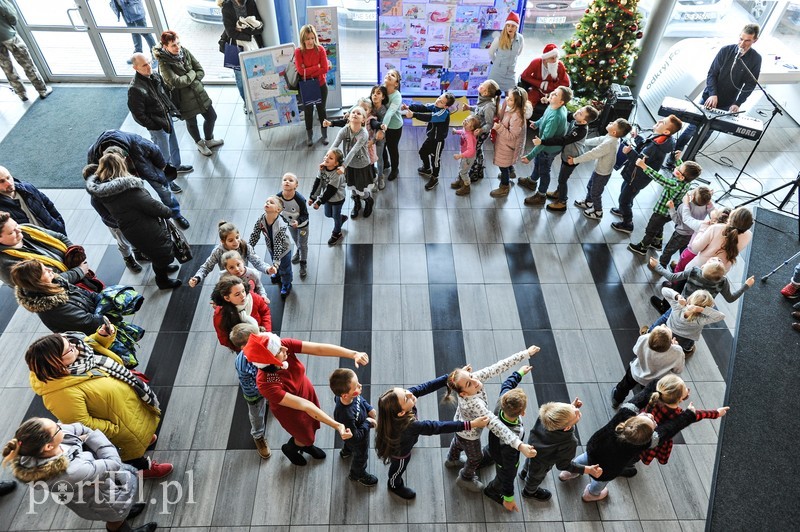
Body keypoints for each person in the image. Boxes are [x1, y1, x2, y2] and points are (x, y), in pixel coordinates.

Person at [25, 324, 172, 479]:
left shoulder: (78, 360)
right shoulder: (59, 394)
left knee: (141, 430)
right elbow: (82, 423)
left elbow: (90, 345)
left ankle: (143, 438)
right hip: (120, 426)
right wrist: (118, 429)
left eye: (70, 343)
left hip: (126, 409)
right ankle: (142, 469)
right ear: (56, 363)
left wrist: (102, 336)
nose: (75, 347)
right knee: (130, 454)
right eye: (68, 349)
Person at [560, 389, 721, 502]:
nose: (652, 416)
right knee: (600, 480)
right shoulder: (646, 442)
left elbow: (641, 397)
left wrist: (659, 385)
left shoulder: (624, 415)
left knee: (584, 459)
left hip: (594, 449)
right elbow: (669, 429)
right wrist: (689, 415)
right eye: (652, 421)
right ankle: (591, 494)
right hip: (609, 468)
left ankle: (569, 472)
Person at [235, 329, 365, 465]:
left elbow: (318, 349)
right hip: (291, 411)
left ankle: (307, 445)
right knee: (304, 435)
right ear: (269, 361)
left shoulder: (282, 346)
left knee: (312, 427)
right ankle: (291, 449)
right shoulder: (266, 384)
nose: (284, 347)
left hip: (305, 392)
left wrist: (353, 354)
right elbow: (305, 406)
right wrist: (337, 425)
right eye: (279, 350)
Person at [2, 418, 158, 532]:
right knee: (115, 518)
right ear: (49, 446)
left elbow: (79, 428)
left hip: (95, 488)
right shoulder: (71, 471)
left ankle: (125, 511)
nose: (61, 425)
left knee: (119, 512)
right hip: (104, 499)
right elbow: (114, 463)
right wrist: (92, 438)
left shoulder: (31, 451)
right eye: (57, 427)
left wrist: (86, 438)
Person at [375, 375, 490, 500]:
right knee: (398, 468)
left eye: (404, 390)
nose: (409, 393)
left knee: (409, 438)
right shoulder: (411, 426)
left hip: (405, 439)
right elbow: (437, 427)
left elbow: (425, 387)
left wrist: (449, 378)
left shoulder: (403, 400)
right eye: (406, 397)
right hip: (401, 452)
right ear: (401, 413)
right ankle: (394, 485)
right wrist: (470, 424)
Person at [443, 346, 539, 492]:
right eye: (469, 383)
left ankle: (452, 459)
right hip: (470, 435)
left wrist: (525, 354)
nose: (475, 381)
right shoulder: (475, 404)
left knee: (457, 442)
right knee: (476, 458)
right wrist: (519, 445)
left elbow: (497, 367)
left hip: (459, 425)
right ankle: (465, 477)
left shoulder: (472, 380)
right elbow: (495, 424)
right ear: (462, 394)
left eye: (471, 376)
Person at [85, 152, 181, 289]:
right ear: (120, 167)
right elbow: (152, 206)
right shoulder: (130, 190)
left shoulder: (97, 192)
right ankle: (162, 280)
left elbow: (105, 213)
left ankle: (162, 267)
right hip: (146, 228)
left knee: (153, 252)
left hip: (130, 229)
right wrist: (168, 212)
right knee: (160, 251)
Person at [672, 24, 762, 162]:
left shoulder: (755, 59)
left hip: (727, 102)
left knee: (707, 132)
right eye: (741, 39)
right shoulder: (726, 51)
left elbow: (750, 84)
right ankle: (673, 156)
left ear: (755, 40)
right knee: (692, 128)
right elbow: (711, 74)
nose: (742, 43)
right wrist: (713, 94)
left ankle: (689, 158)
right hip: (709, 98)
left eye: (747, 40)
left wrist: (738, 103)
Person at [86, 129, 189, 227]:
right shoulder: (93, 154)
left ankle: (176, 214)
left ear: (124, 155)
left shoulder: (135, 141)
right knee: (140, 199)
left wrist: (162, 167)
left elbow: (155, 150)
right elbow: (95, 175)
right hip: (121, 180)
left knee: (164, 191)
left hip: (146, 170)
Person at [154, 30, 223, 157]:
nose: (177, 47)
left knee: (211, 117)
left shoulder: (184, 52)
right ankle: (199, 144)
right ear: (165, 46)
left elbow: (200, 71)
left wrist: (188, 77)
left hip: (199, 92)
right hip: (183, 99)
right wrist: (191, 74)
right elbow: (177, 83)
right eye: (173, 45)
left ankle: (209, 140)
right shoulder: (164, 63)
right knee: (192, 123)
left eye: (178, 43)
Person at [519, 398, 602, 501]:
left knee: (530, 462)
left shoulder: (545, 416)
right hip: (543, 462)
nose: (576, 410)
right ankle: (529, 492)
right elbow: (563, 465)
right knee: (535, 477)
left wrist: (570, 408)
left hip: (532, 447)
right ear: (567, 428)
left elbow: (559, 417)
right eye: (576, 414)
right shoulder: (570, 442)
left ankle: (524, 471)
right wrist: (588, 469)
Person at [611, 115, 682, 234]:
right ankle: (624, 209)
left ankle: (627, 223)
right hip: (636, 177)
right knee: (627, 195)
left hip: (636, 177)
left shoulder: (655, 147)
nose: (659, 121)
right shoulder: (660, 140)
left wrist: (629, 152)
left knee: (624, 199)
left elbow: (640, 161)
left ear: (666, 131)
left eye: (662, 122)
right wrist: (637, 137)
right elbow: (644, 147)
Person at [638, 375, 728, 466]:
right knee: (645, 448)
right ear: (680, 398)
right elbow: (697, 415)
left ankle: (633, 458)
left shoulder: (654, 397)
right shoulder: (679, 415)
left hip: (641, 429)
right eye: (685, 387)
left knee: (637, 448)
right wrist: (717, 413)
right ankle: (633, 460)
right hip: (658, 438)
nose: (687, 388)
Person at [128, 53, 193, 177]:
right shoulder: (135, 89)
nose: (148, 67)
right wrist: (154, 125)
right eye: (144, 65)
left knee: (173, 145)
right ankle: (167, 178)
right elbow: (138, 115)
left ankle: (177, 167)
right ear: (135, 68)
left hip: (167, 118)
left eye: (149, 63)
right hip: (157, 125)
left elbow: (164, 94)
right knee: (163, 155)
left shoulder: (156, 75)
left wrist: (172, 109)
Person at [480, 367, 532, 512]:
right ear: (523, 412)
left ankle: (481, 462)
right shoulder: (513, 436)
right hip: (503, 459)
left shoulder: (500, 402)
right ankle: (492, 490)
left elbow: (507, 385)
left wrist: (519, 373)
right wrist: (509, 496)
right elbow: (508, 473)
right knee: (502, 477)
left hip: (493, 443)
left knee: (489, 452)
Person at [627, 159, 703, 255]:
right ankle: (657, 242)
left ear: (681, 177)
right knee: (659, 225)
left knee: (651, 229)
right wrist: (678, 159)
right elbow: (682, 170)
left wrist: (644, 166)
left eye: (679, 169)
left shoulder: (675, 184)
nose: (677, 167)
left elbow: (659, 178)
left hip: (661, 212)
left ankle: (643, 247)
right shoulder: (687, 182)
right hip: (669, 212)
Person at [12, 259, 104, 335]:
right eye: (45, 271)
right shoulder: (53, 309)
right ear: (37, 282)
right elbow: (90, 324)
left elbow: (86, 294)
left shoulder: (55, 282)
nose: (50, 270)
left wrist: (103, 299)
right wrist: (110, 310)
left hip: (98, 315)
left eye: (46, 267)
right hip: (98, 334)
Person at [536, 104, 599, 211]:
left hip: (572, 158)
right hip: (567, 155)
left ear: (584, 121)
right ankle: (558, 192)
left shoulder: (580, 131)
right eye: (579, 109)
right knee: (562, 175)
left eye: (580, 113)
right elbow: (566, 114)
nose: (577, 111)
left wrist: (543, 141)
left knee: (562, 180)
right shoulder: (576, 120)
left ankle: (562, 201)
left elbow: (564, 140)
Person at [0, 212, 85, 287]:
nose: (19, 230)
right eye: (11, 232)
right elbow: (43, 285)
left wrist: (75, 253)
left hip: (80, 276)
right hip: (64, 295)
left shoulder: (27, 228)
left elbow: (60, 237)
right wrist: (78, 272)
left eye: (16, 225)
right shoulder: (5, 265)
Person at [570, 118, 633, 220]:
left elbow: (593, 153)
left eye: (613, 123)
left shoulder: (609, 144)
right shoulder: (611, 137)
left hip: (602, 173)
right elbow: (598, 139)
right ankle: (588, 202)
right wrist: (583, 141)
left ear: (614, 131)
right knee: (591, 186)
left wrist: (575, 160)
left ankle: (598, 211)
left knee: (596, 193)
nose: (610, 122)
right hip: (599, 169)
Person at [610, 325, 685, 409]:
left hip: (636, 372)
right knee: (646, 395)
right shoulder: (677, 352)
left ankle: (616, 399)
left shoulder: (645, 338)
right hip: (655, 381)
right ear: (670, 342)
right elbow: (678, 370)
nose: (663, 325)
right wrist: (675, 347)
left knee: (624, 386)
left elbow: (635, 350)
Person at [519, 86, 570, 205]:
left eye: (556, 94)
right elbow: (545, 116)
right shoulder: (554, 106)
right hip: (545, 145)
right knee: (539, 163)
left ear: (561, 102)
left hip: (548, 148)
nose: (552, 94)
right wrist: (537, 123)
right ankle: (532, 181)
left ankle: (541, 195)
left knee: (544, 171)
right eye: (554, 91)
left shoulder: (556, 117)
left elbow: (544, 141)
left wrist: (529, 156)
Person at [329, 368, 378, 486]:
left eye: (358, 382)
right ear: (345, 395)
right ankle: (357, 474)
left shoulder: (349, 396)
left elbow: (360, 400)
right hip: (358, 439)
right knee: (361, 456)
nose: (360, 386)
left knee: (349, 444)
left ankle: (346, 451)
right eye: (356, 386)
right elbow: (356, 437)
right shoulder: (345, 415)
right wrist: (367, 421)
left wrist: (368, 407)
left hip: (351, 433)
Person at [188, 220, 270, 288]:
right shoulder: (218, 252)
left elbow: (257, 262)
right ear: (223, 242)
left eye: (237, 237)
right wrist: (197, 277)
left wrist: (267, 269)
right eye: (231, 240)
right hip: (229, 280)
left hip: (244, 276)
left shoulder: (245, 246)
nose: (236, 242)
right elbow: (206, 267)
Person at [0, 0, 52, 101]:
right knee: (27, 64)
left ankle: (21, 94)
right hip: (9, 36)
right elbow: (11, 16)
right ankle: (42, 90)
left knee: (7, 68)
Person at [403, 91, 455, 191]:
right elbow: (424, 107)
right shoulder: (435, 106)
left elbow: (430, 117)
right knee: (422, 152)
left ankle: (435, 178)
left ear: (446, 106)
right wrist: (409, 106)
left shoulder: (443, 113)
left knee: (435, 161)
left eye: (442, 102)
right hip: (430, 138)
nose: (438, 101)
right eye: (439, 98)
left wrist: (413, 115)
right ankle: (427, 169)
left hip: (438, 141)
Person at [651, 287, 725, 355]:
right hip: (685, 338)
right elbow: (721, 316)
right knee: (688, 343)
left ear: (689, 298)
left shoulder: (677, 306)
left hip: (668, 330)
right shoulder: (700, 319)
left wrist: (678, 297)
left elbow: (664, 290)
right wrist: (701, 309)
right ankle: (688, 350)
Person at [219, 0, 264, 108]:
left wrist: (242, 30)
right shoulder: (227, 6)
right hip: (235, 47)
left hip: (253, 45)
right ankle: (247, 104)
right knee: (240, 78)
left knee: (258, 71)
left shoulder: (250, 2)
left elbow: (260, 28)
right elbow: (231, 32)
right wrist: (248, 35)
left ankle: (259, 100)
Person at [332, 107, 374, 219]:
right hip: (349, 165)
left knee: (361, 189)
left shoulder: (363, 134)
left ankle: (368, 201)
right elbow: (334, 146)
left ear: (363, 120)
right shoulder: (344, 130)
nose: (355, 114)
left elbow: (353, 151)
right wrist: (327, 159)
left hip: (361, 166)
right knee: (352, 187)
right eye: (353, 112)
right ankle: (357, 204)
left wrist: (343, 166)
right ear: (349, 116)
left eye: (359, 113)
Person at [249, 195, 293, 299]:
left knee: (285, 268)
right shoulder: (261, 219)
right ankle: (277, 274)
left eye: (271, 202)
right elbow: (255, 234)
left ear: (278, 210)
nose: (267, 203)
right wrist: (249, 248)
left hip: (284, 250)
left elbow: (278, 245)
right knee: (275, 262)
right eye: (266, 201)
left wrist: (276, 264)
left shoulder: (281, 224)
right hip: (271, 247)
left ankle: (286, 283)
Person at [211, 274, 271, 352]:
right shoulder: (220, 316)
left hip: (263, 335)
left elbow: (265, 312)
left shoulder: (253, 298)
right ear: (227, 298)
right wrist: (244, 348)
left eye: (243, 291)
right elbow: (224, 338)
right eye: (237, 294)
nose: (243, 296)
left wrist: (266, 332)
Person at [684, 206, 753, 272]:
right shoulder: (749, 235)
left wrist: (703, 229)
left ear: (731, 217)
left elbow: (696, 248)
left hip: (700, 268)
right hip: (720, 272)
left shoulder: (716, 228)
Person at [0, 165, 65, 234]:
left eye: (8, 177)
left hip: (56, 236)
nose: (9, 183)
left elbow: (49, 205)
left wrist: (59, 226)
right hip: (34, 244)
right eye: (1, 181)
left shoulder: (28, 188)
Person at [295, 24, 329, 146]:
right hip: (307, 86)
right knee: (308, 111)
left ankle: (324, 135)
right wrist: (316, 67)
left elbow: (325, 69)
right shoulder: (299, 52)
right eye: (307, 39)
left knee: (322, 111)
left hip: (320, 85)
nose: (310, 41)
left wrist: (308, 69)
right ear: (303, 39)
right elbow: (300, 71)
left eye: (312, 38)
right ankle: (309, 136)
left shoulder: (320, 50)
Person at [489, 87, 527, 198]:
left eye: (510, 99)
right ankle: (511, 171)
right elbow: (502, 114)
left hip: (508, 146)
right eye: (507, 96)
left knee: (503, 166)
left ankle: (504, 186)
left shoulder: (517, 117)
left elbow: (512, 136)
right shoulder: (509, 105)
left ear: (517, 103)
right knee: (506, 163)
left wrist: (499, 127)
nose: (506, 99)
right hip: (504, 144)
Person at [518, 43, 570, 118]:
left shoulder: (559, 65)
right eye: (552, 58)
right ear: (545, 59)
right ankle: (524, 119)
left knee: (555, 108)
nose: (555, 60)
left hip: (553, 93)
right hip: (537, 90)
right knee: (527, 104)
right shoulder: (536, 62)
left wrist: (551, 87)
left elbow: (566, 83)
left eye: (556, 57)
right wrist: (540, 84)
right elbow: (524, 76)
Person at [462, 79, 499, 182]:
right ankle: (479, 168)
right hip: (477, 130)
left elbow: (489, 124)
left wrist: (481, 130)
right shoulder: (483, 100)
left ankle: (474, 171)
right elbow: (479, 110)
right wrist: (469, 107)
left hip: (480, 133)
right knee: (477, 149)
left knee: (474, 151)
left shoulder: (489, 106)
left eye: (483, 85)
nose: (480, 84)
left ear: (486, 92)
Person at [310, 148, 348, 246]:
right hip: (327, 199)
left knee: (335, 216)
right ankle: (340, 218)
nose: (326, 158)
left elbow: (330, 191)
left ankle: (337, 233)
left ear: (336, 164)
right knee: (328, 214)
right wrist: (313, 197)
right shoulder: (322, 169)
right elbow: (317, 183)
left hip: (337, 199)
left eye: (330, 158)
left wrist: (318, 202)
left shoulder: (337, 174)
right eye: (326, 155)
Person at [277, 173, 310, 279]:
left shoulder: (300, 199)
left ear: (296, 185)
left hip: (302, 226)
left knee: (303, 243)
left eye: (290, 180)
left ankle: (303, 262)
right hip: (290, 224)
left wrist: (298, 222)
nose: (287, 181)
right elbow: (276, 210)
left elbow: (305, 215)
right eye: (285, 180)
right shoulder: (278, 197)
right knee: (296, 240)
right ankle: (298, 251)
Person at [487, 12, 524, 95]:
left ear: (516, 27)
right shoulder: (499, 38)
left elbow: (519, 53)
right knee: (492, 94)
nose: (510, 28)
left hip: (510, 73)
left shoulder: (520, 38)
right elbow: (491, 52)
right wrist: (496, 62)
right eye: (508, 25)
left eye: (513, 26)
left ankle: (504, 109)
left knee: (511, 96)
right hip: (497, 72)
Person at [381, 69, 403, 182]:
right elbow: (367, 100)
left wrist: (383, 128)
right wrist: (350, 111)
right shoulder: (380, 89)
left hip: (394, 127)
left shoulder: (397, 96)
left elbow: (390, 112)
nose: (389, 75)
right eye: (388, 73)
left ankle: (395, 170)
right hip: (382, 125)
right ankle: (385, 164)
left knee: (392, 149)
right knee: (381, 146)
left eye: (393, 75)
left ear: (396, 83)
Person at [450, 115, 480, 196]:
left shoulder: (469, 136)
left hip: (468, 157)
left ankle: (466, 187)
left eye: (467, 123)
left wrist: (460, 156)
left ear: (471, 128)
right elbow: (463, 132)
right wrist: (456, 131)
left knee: (464, 172)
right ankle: (461, 181)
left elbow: (471, 151)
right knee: (461, 168)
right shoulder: (466, 130)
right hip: (464, 155)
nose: (465, 122)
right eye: (466, 120)